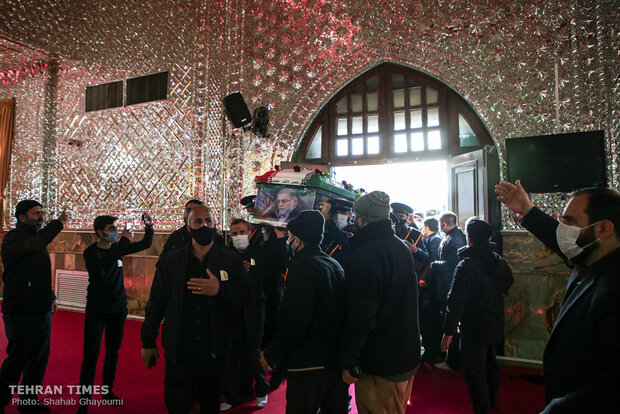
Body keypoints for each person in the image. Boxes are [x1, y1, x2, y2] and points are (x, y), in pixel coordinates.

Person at [496, 180, 620, 412]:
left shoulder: (613, 288)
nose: (563, 229)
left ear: (603, 229)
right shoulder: (588, 259)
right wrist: (527, 210)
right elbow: (559, 239)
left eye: (570, 221)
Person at [140, 205, 250, 414]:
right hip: (180, 351)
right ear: (189, 228)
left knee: (210, 406)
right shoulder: (171, 261)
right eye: (198, 222)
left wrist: (220, 290)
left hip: (214, 352)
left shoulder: (230, 260)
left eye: (208, 221)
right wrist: (148, 341)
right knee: (177, 405)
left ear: (215, 225)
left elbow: (245, 298)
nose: (204, 226)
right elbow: (156, 303)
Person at [340, 191, 420, 414]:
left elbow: (362, 315)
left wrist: (348, 358)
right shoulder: (401, 246)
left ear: (361, 220)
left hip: (382, 361)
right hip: (404, 353)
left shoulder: (366, 254)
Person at [261, 210, 348, 413]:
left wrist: (272, 355)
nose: (287, 241)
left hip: (307, 364)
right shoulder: (333, 264)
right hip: (333, 361)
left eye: (289, 237)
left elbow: (295, 321)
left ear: (297, 240)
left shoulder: (302, 268)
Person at [76, 214, 154, 413]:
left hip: (117, 309)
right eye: (112, 228)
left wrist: (149, 226)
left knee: (113, 352)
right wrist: (124, 241)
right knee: (91, 356)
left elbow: (146, 243)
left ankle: (107, 391)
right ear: (100, 232)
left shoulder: (118, 249)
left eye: (116, 228)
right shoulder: (91, 253)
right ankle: (84, 401)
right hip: (97, 309)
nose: (116, 232)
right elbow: (104, 264)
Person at [0, 200, 68, 413]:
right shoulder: (13, 238)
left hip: (40, 308)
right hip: (20, 308)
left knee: (38, 358)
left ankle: (28, 401)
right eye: (35, 213)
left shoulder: (37, 239)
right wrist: (58, 223)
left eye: (41, 212)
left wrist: (50, 297)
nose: (40, 216)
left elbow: (39, 274)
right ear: (22, 217)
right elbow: (33, 245)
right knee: (18, 358)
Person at [440, 218, 513, 414]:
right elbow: (508, 284)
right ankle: (492, 402)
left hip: (474, 326)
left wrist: (448, 331)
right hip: (495, 321)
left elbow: (455, 301)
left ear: (469, 238)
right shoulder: (497, 260)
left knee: (475, 371)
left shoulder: (466, 265)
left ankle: (482, 409)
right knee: (490, 363)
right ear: (489, 238)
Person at [221, 219, 269, 410]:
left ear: (249, 232)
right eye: (234, 233)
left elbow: (264, 278)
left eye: (242, 232)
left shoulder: (259, 251)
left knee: (253, 352)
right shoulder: (225, 254)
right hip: (233, 310)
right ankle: (232, 395)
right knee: (232, 353)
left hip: (254, 308)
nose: (238, 236)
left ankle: (262, 390)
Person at [430, 212, 467, 370]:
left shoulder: (454, 239)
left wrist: (435, 264)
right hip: (447, 285)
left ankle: (453, 360)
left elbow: (452, 264)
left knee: (451, 323)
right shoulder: (455, 236)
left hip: (449, 286)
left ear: (444, 224)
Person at [418, 217, 443, 361]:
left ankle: (432, 351)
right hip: (430, 286)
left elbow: (432, 261)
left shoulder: (435, 240)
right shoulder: (433, 239)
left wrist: (424, 278)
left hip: (430, 286)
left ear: (427, 227)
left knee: (430, 320)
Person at [391, 202, 430, 276]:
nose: (398, 219)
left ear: (407, 218)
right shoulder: (386, 231)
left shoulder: (415, 234)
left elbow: (427, 258)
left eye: (401, 216)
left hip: (407, 273)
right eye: (395, 216)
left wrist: (416, 250)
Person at [320, 198, 354, 265]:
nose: (338, 215)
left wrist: (328, 220)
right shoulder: (326, 229)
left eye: (343, 212)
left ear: (350, 215)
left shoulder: (353, 230)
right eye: (335, 213)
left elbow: (344, 239)